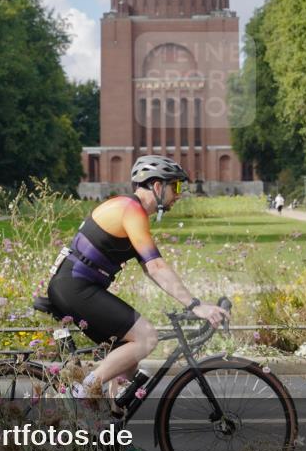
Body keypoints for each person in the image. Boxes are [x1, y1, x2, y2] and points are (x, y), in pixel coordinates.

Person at [46, 155, 230, 401]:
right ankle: (82, 392)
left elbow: (149, 268)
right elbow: (155, 266)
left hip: (74, 286)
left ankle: (108, 425)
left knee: (127, 363)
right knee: (146, 337)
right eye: (175, 186)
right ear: (157, 186)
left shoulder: (130, 211)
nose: (179, 194)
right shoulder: (131, 210)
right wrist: (196, 305)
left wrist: (188, 301)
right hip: (75, 286)